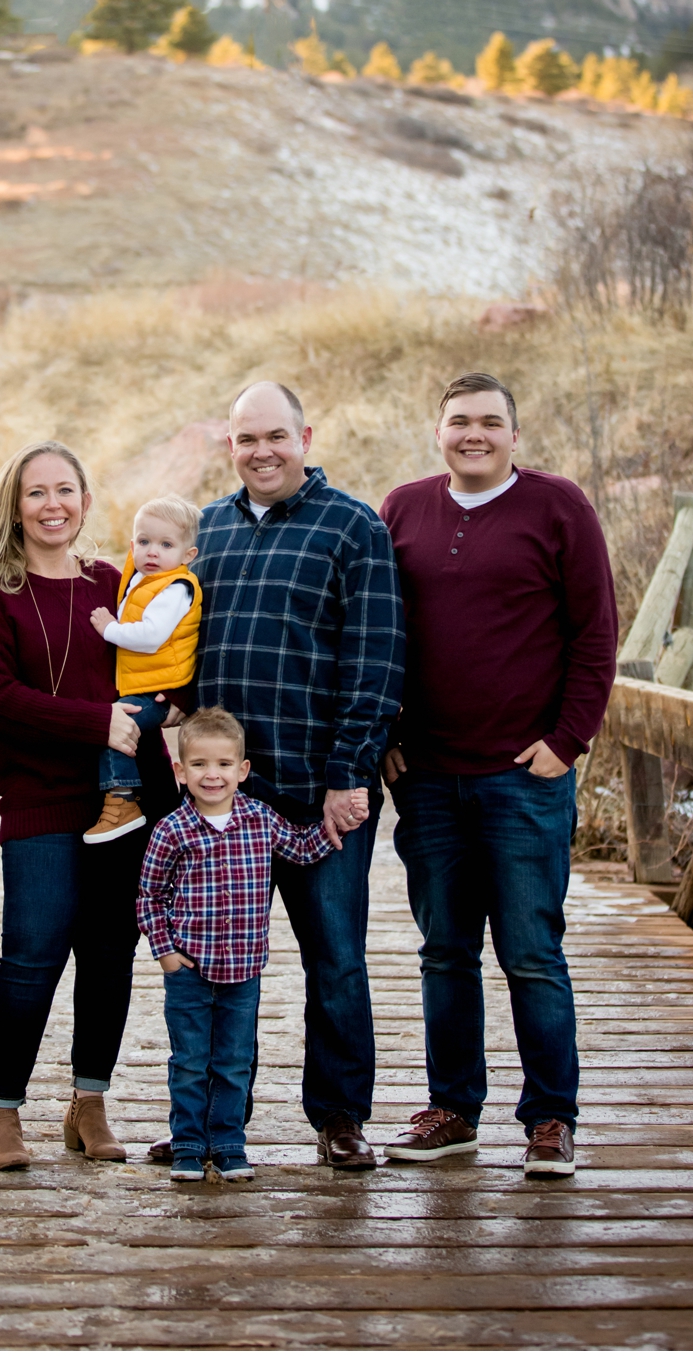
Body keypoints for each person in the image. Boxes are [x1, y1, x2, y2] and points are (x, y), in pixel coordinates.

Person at [378, 372, 618, 1180]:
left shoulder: (559, 507)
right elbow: (380, 633)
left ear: (516, 434)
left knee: (530, 952)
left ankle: (550, 1118)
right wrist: (385, 737)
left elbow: (595, 635)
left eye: (489, 421)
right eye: (459, 421)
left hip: (524, 778)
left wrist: (568, 740)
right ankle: (454, 1110)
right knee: (444, 951)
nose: (473, 433)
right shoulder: (403, 507)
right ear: (436, 431)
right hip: (429, 777)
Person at [171, 380, 402, 1171]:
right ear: (229, 446)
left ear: (306, 435)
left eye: (276, 435)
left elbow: (374, 663)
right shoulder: (204, 530)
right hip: (219, 801)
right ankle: (205, 1119)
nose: (262, 451)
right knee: (211, 966)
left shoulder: (354, 528)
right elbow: (177, 647)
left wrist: (349, 774)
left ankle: (339, 1116)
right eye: (246, 439)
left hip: (317, 796)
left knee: (334, 958)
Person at [0, 441, 180, 1170]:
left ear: (85, 500)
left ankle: (89, 1103)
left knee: (112, 958)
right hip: (39, 803)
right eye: (36, 492)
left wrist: (164, 712)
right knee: (32, 955)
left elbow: (158, 665)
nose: (54, 504)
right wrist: (96, 721)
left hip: (123, 803)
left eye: (66, 490)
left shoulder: (114, 582)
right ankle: (3, 1114)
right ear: (14, 507)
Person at [137, 707, 338, 1181]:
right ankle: (188, 1145)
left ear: (242, 771)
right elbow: (149, 894)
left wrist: (337, 826)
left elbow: (302, 849)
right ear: (180, 771)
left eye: (224, 765)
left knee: (233, 1062)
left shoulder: (260, 820)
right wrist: (165, 952)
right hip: (188, 969)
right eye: (201, 765)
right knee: (189, 1062)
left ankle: (228, 1144)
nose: (213, 775)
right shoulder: (172, 830)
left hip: (244, 973)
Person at [82, 496, 203, 845]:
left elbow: (151, 637)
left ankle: (122, 800)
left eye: (166, 544)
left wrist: (109, 629)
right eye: (145, 542)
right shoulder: (141, 579)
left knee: (117, 727)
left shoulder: (175, 589)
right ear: (132, 545)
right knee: (119, 726)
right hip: (145, 682)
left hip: (160, 689)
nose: (153, 551)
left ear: (187, 556)